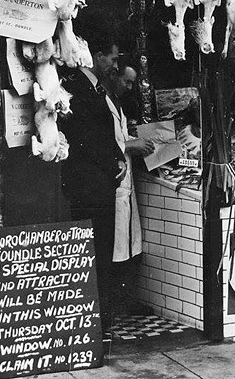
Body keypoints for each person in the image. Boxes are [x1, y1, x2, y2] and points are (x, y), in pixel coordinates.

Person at [59, 27, 125, 330]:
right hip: (89, 186)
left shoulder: (96, 87)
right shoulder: (76, 87)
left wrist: (119, 157)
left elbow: (104, 133)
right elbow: (84, 137)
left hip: (100, 185)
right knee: (95, 252)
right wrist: (113, 165)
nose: (115, 65)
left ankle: (103, 316)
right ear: (97, 57)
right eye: (112, 58)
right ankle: (97, 320)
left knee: (102, 251)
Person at [102, 64, 154, 314]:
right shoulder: (102, 102)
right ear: (114, 76)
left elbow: (119, 136)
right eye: (127, 82)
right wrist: (131, 145)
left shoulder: (116, 102)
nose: (130, 87)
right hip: (115, 185)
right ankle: (113, 305)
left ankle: (126, 300)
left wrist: (133, 140)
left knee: (130, 244)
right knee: (116, 246)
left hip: (126, 184)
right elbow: (105, 143)